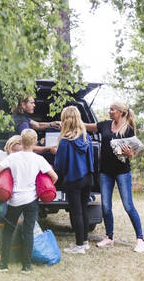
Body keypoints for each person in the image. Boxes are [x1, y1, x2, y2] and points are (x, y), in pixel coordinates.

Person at [0, 128, 58, 274]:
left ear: (21, 142)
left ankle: (3, 265)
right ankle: (26, 266)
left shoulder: (12, 157)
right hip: (31, 200)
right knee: (28, 232)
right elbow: (54, 177)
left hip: (14, 199)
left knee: (8, 230)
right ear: (35, 142)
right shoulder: (39, 159)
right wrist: (41, 188)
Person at [85, 101, 144, 253]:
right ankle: (109, 238)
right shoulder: (105, 125)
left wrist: (130, 154)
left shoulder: (128, 129)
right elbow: (87, 126)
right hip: (105, 172)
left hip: (122, 172)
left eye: (112, 109)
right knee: (106, 206)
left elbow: (132, 152)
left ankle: (141, 240)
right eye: (109, 109)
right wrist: (70, 122)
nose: (109, 111)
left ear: (120, 112)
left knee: (128, 206)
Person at [54, 106, 94, 254]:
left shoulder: (65, 141)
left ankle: (79, 246)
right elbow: (91, 159)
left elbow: (60, 165)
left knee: (76, 212)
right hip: (87, 178)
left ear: (65, 120)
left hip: (73, 179)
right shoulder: (86, 137)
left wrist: (59, 176)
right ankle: (84, 242)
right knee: (83, 210)